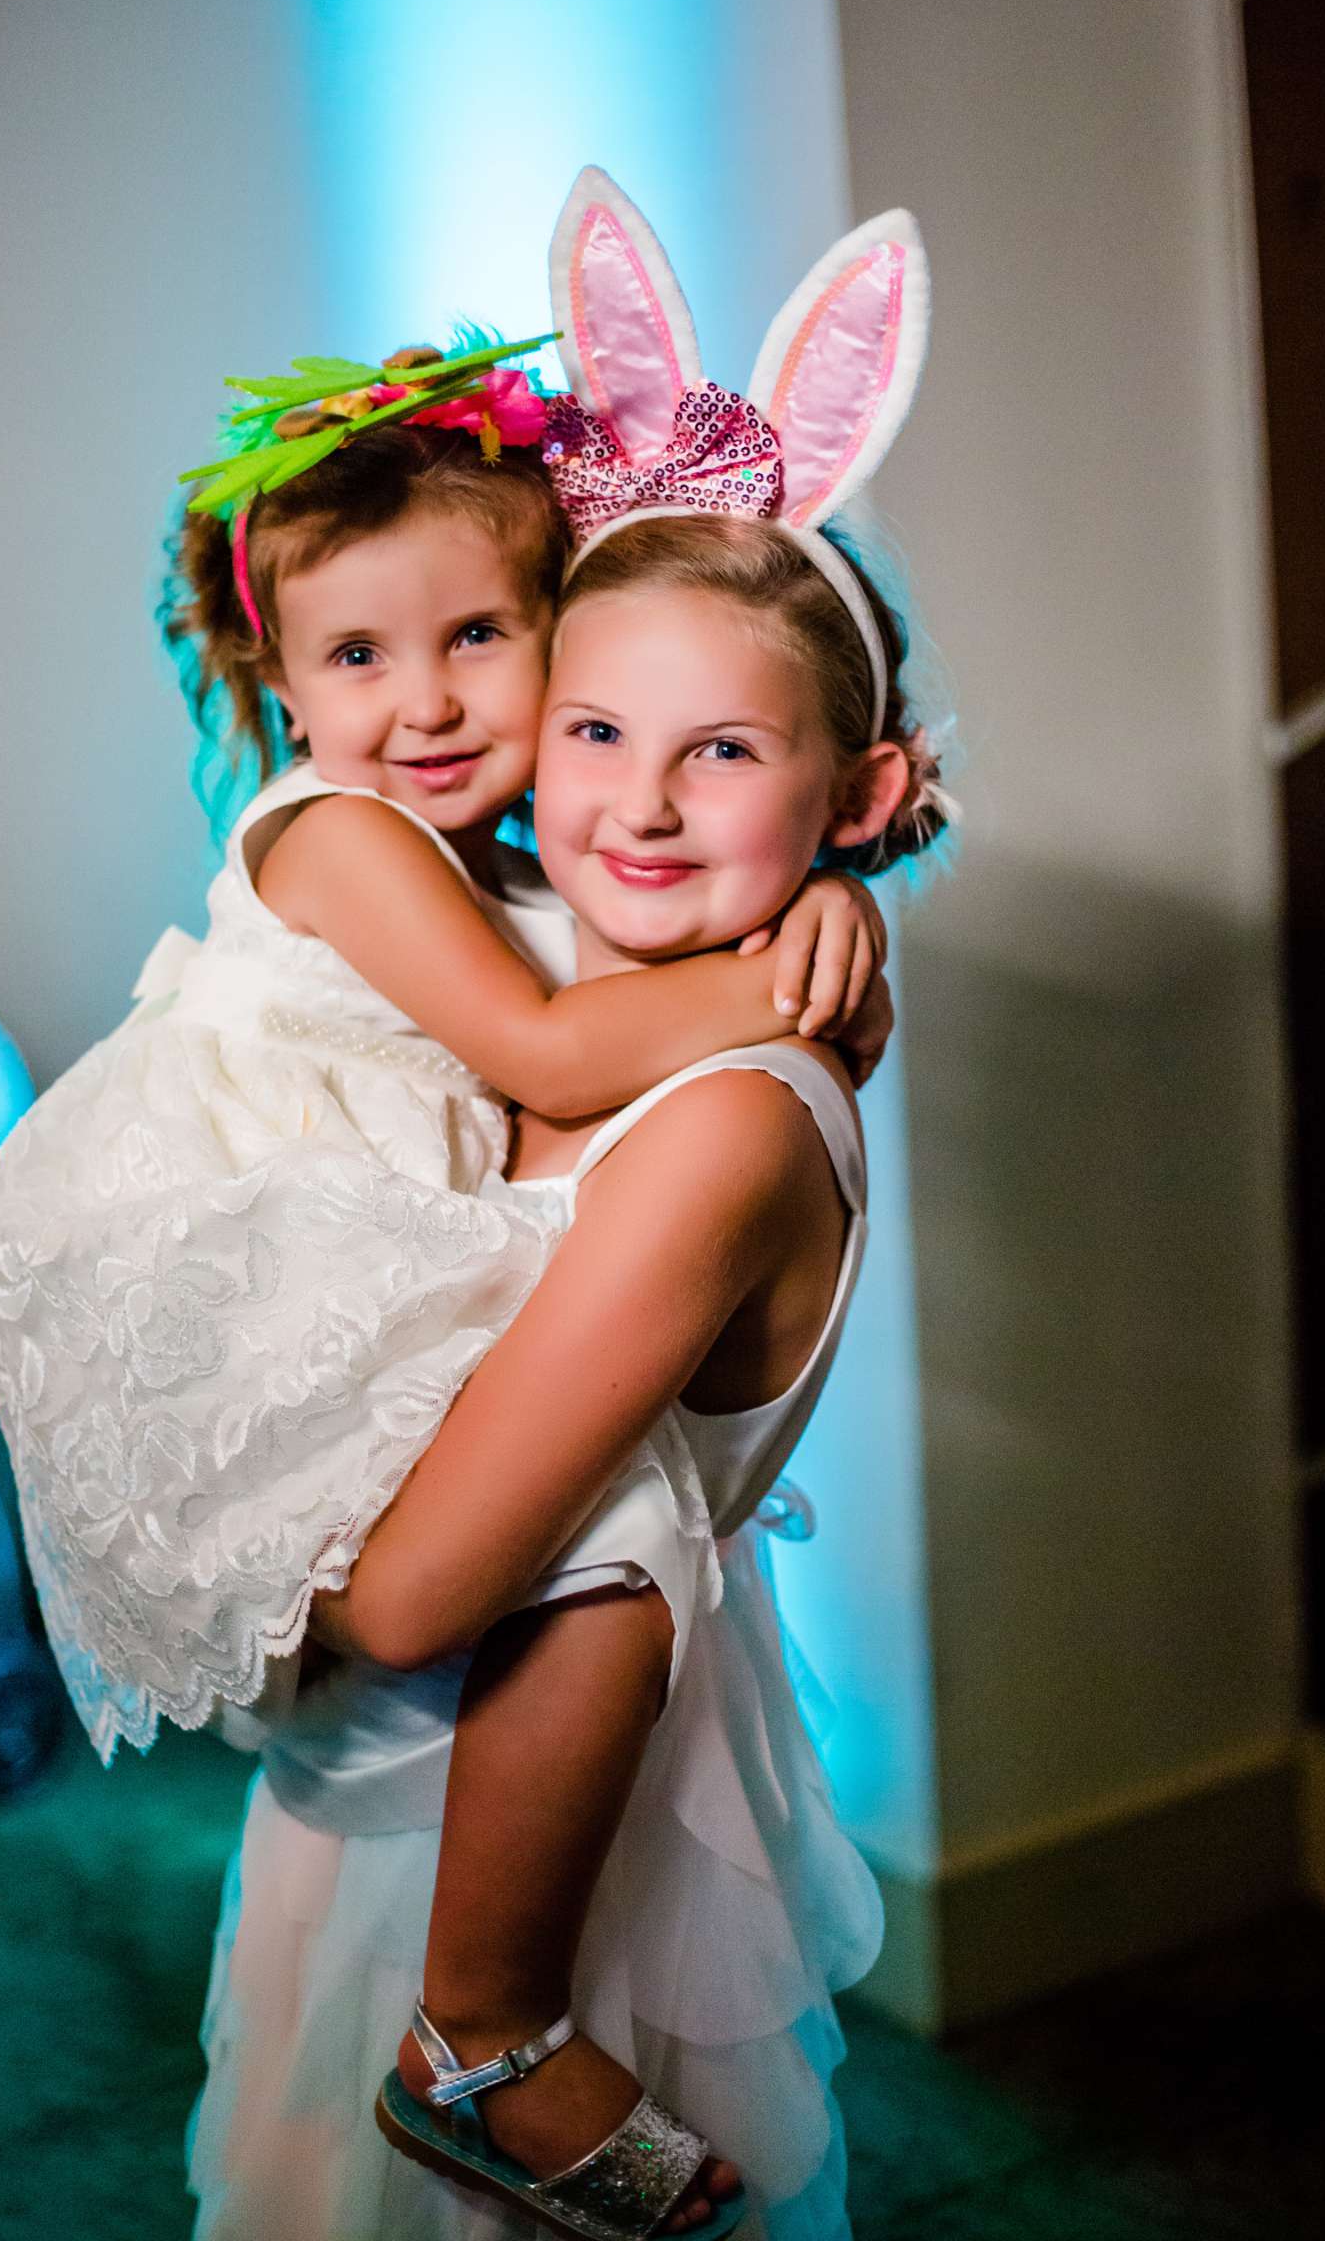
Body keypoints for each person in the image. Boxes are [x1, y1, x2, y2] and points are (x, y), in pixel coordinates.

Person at [188, 171, 947, 2240]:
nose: (627, 797)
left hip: (522, 1786)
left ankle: (495, 2037)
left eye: (721, 754)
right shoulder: (516, 932)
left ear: (856, 796)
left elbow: (420, 1599)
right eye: (595, 728)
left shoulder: (710, 1114)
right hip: (380, 1778)